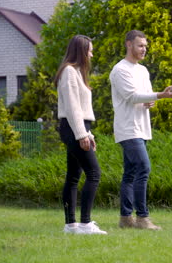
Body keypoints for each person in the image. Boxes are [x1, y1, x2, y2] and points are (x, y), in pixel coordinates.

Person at [110, 30, 172, 230]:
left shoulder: (143, 70)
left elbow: (145, 97)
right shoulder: (119, 70)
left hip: (142, 127)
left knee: (130, 173)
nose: (144, 49)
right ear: (128, 44)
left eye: (145, 46)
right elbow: (132, 96)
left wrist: (153, 101)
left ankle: (125, 219)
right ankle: (142, 218)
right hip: (128, 128)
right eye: (140, 45)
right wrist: (161, 95)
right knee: (144, 168)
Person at [55, 35, 107, 234]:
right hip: (73, 127)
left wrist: (87, 133)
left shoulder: (76, 72)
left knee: (73, 177)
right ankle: (85, 224)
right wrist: (81, 135)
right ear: (81, 51)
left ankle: (71, 225)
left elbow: (80, 110)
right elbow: (72, 108)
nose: (92, 54)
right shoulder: (69, 72)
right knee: (94, 173)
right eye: (90, 50)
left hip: (78, 127)